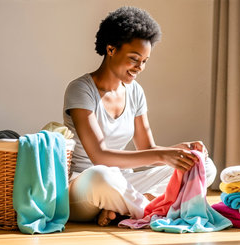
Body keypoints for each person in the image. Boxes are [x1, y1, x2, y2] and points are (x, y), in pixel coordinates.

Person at [63, 6, 217, 227]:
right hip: (87, 185)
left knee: (203, 165)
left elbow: (147, 148)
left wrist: (179, 151)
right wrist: (165, 155)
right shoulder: (80, 89)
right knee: (103, 176)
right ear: (111, 49)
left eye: (144, 61)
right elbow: (99, 156)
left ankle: (128, 209)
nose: (140, 67)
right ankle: (153, 210)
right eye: (134, 58)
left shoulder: (135, 91)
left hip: (125, 182)